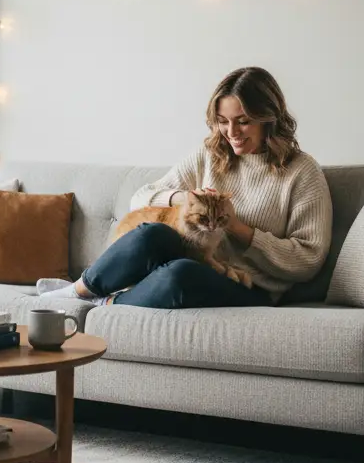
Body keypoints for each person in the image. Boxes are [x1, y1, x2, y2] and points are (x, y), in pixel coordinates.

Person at [39, 67, 332, 309]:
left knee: (180, 275)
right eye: (222, 122)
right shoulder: (210, 155)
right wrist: (186, 198)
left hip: (250, 290)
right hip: (199, 260)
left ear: (269, 119)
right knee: (150, 234)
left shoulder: (302, 172)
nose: (231, 133)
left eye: (243, 122)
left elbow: (308, 260)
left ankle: (110, 302)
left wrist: (239, 229)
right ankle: (77, 292)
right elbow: (140, 199)